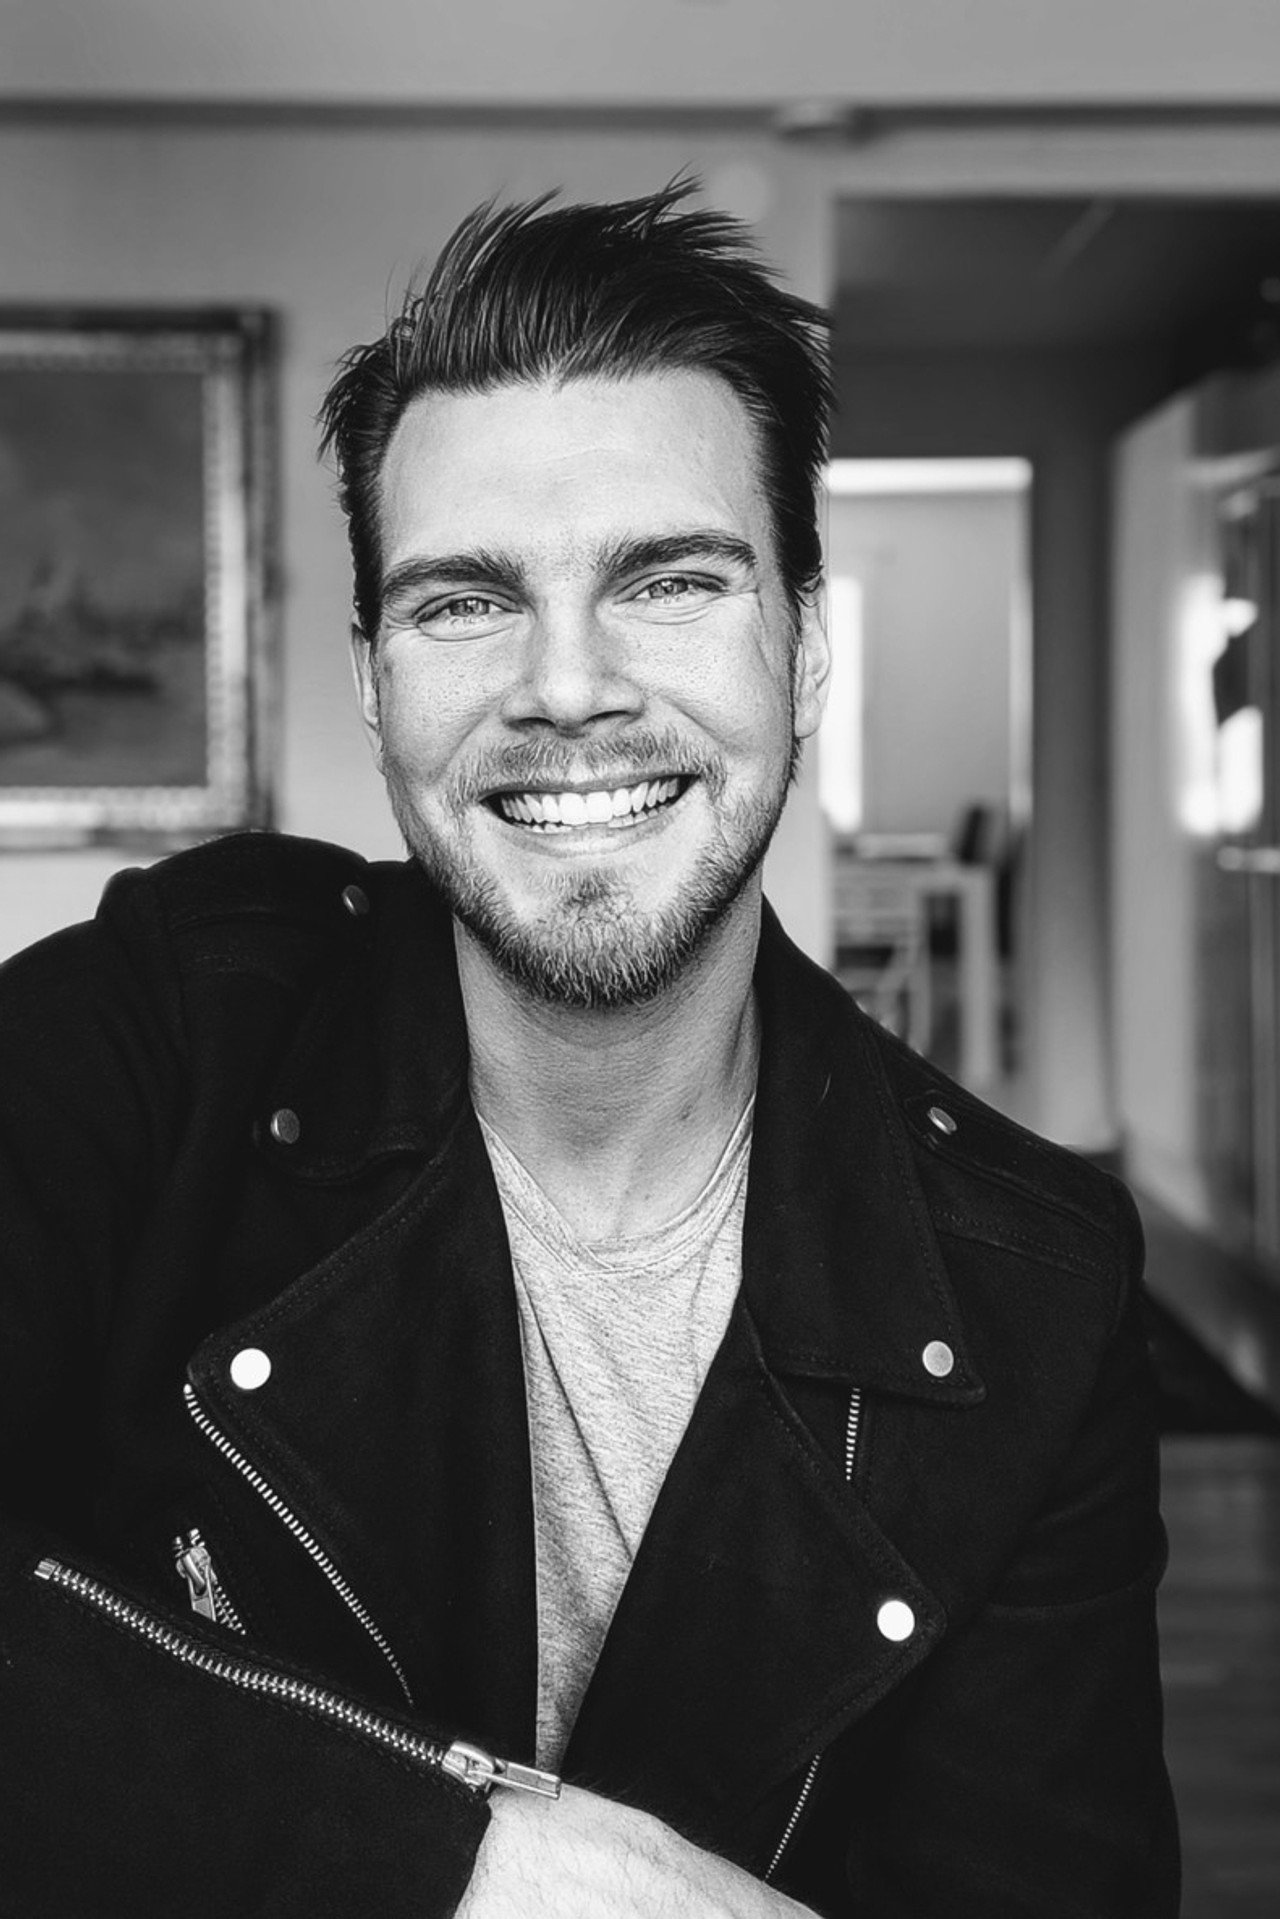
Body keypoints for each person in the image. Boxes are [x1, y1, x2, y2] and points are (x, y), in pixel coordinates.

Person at [0, 183, 1178, 1918]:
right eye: (465, 603)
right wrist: (464, 1862)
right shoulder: (171, 1023)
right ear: (375, 683)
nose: (568, 688)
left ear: (806, 651)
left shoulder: (1033, 1294)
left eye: (670, 581)